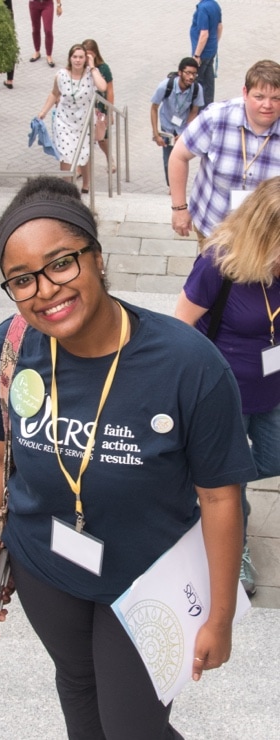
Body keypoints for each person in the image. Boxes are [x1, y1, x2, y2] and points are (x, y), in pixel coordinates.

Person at [0, 176, 255, 739]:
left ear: (97, 258)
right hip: (45, 564)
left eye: (62, 264)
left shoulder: (187, 364)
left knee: (134, 728)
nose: (45, 290)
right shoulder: (13, 344)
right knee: (77, 690)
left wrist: (220, 615)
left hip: (147, 580)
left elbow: (222, 496)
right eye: (22, 280)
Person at [175, 176, 280, 597]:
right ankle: (231, 531)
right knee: (228, 480)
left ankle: (213, 485)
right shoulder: (219, 261)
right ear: (265, 234)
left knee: (272, 458)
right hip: (225, 393)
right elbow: (179, 327)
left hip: (274, 388)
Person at [169, 59, 280, 241]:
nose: (267, 105)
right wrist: (179, 208)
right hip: (213, 229)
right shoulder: (217, 117)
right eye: (259, 97)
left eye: (276, 98)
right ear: (245, 93)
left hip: (265, 239)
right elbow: (179, 156)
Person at [37, 44, 108, 195]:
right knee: (65, 154)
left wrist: (92, 66)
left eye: (81, 57)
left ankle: (87, 183)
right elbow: (54, 94)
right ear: (70, 58)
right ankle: (66, 189)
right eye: (74, 57)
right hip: (64, 121)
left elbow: (102, 87)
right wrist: (43, 111)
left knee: (84, 153)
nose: (77, 60)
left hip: (84, 122)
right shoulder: (61, 75)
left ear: (85, 58)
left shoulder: (91, 74)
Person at [150, 57, 204, 187]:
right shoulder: (165, 86)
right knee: (167, 159)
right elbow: (154, 108)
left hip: (183, 127)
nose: (191, 77)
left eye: (194, 74)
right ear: (180, 72)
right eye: (188, 73)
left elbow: (194, 111)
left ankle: (176, 188)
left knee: (181, 158)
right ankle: (172, 186)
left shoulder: (197, 89)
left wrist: (187, 131)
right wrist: (156, 133)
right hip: (167, 126)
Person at [82, 39, 115, 172]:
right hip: (85, 106)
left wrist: (110, 112)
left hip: (100, 107)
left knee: (102, 137)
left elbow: (110, 90)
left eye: (90, 54)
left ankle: (109, 158)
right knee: (83, 137)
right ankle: (80, 167)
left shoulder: (103, 68)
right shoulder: (80, 67)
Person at [189, 0, 223, 108]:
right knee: (208, 82)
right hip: (211, 51)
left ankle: (198, 111)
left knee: (197, 83)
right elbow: (220, 27)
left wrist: (197, 55)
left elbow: (204, 34)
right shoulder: (215, 5)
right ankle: (209, 107)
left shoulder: (203, 8)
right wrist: (214, 44)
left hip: (202, 54)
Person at [28, 0, 62, 68]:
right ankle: (37, 51)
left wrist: (59, 5)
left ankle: (49, 55)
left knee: (48, 30)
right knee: (35, 29)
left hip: (47, 4)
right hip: (34, 4)